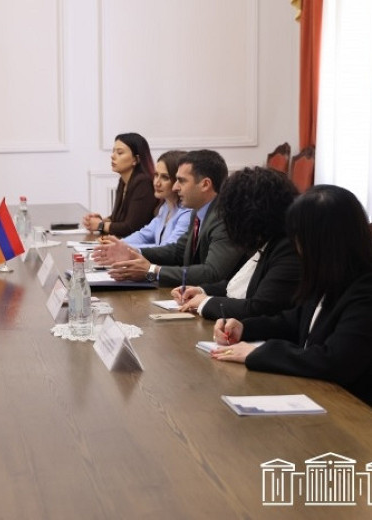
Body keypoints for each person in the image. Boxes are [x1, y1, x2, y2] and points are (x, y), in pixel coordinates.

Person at [211, 185, 372, 406]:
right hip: (318, 394)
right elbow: (295, 321)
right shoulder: (331, 277)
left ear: (321, 241)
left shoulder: (365, 291)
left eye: (298, 237)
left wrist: (259, 353)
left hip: (352, 410)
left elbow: (335, 361)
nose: (295, 246)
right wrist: (244, 328)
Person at [92, 149, 244, 287]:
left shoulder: (224, 218)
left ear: (205, 184)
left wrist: (153, 271)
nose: (175, 187)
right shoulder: (198, 212)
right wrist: (132, 251)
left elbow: (212, 273)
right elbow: (178, 251)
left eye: (182, 181)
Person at [173, 167, 301, 320]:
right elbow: (242, 284)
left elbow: (260, 308)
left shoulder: (287, 248)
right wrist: (201, 291)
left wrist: (206, 302)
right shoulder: (269, 240)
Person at [82, 133, 159, 237]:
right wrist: (101, 221)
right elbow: (119, 219)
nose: (112, 156)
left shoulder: (143, 183)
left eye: (120, 153)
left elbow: (131, 227)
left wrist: (100, 225)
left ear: (136, 159)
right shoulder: (123, 180)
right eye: (113, 151)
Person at [121, 150, 192, 248]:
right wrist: (117, 244)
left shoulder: (187, 213)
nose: (156, 183)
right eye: (156, 175)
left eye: (165, 177)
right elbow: (143, 235)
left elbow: (167, 249)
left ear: (178, 180)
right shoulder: (165, 208)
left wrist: (124, 248)